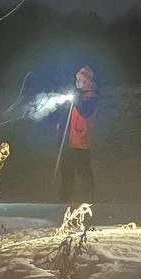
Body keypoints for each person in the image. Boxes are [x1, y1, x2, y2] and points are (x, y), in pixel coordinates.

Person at [57, 65, 99, 205]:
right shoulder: (77, 96)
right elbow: (67, 114)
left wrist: (77, 100)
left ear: (87, 82)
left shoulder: (92, 98)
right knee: (66, 169)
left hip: (82, 141)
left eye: (80, 80)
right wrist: (61, 125)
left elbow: (85, 112)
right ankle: (65, 197)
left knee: (83, 170)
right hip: (69, 140)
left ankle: (89, 198)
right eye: (77, 79)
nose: (77, 82)